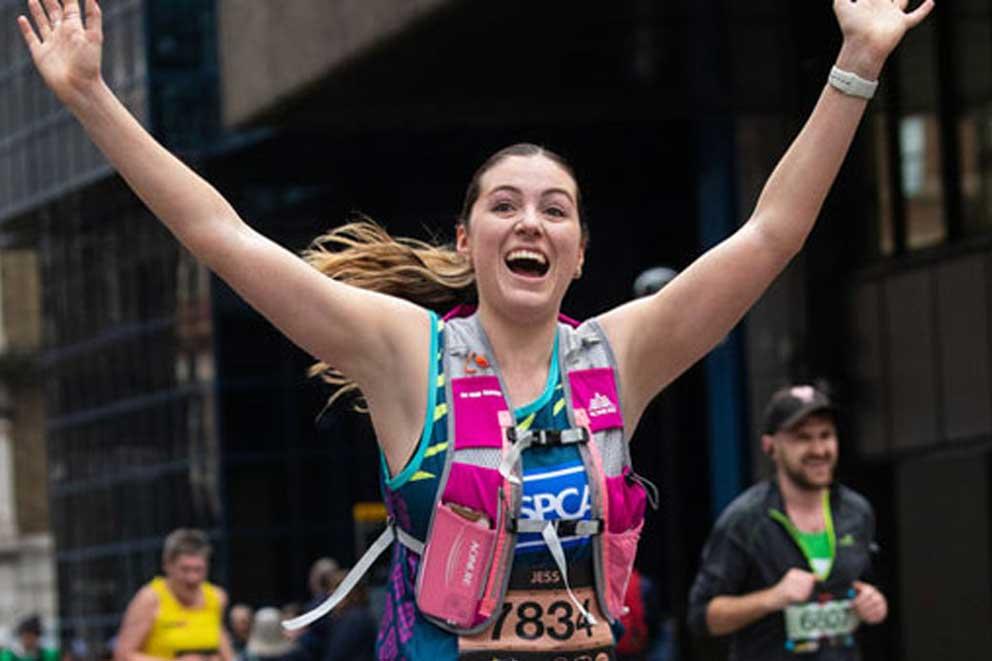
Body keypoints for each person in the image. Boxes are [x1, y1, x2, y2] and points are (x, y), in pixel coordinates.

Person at [15, 1, 932, 658]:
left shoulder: (622, 352)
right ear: (467, 240)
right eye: (504, 205)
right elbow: (221, 233)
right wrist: (92, 97)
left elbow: (771, 233)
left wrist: (855, 64)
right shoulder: (406, 352)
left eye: (555, 210)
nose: (530, 222)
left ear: (578, 252)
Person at [687, 385, 886, 659]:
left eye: (825, 435)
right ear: (770, 446)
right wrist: (772, 598)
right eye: (802, 438)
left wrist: (872, 603)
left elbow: (864, 586)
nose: (818, 449)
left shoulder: (857, 511)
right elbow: (701, 616)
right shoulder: (744, 520)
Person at [112, 528, 234, 661]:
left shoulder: (217, 596)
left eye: (199, 570)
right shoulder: (150, 599)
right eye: (185, 569)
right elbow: (123, 655)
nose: (192, 579)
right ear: (167, 565)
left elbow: (220, 638)